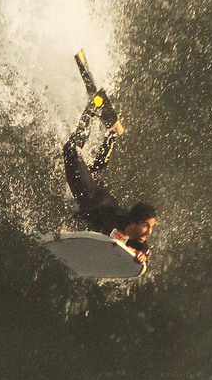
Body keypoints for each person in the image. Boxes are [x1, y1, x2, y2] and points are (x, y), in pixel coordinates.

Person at [61, 95, 157, 263]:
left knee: (93, 169)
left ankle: (112, 134)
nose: (149, 232)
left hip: (99, 190)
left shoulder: (137, 239)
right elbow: (84, 218)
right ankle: (93, 108)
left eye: (152, 226)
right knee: (71, 150)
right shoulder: (111, 221)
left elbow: (144, 249)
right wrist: (66, 233)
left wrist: (144, 256)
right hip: (88, 193)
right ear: (133, 223)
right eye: (146, 225)